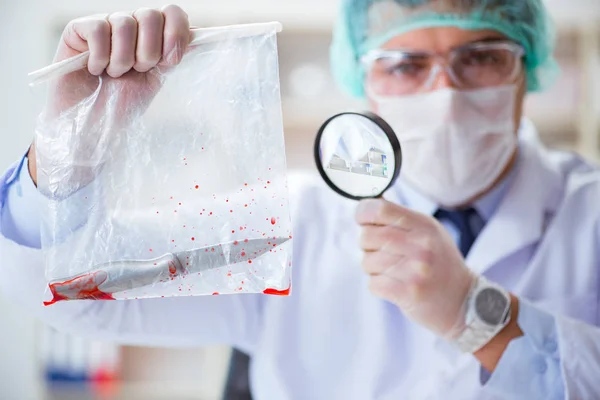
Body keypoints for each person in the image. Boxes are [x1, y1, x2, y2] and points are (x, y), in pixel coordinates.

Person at [1, 1, 600, 398]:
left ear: (530, 65)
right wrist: (71, 151)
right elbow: (71, 297)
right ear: (362, 79)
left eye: (483, 57)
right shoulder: (290, 221)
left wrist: (479, 314)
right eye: (405, 64)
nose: (444, 94)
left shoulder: (591, 213)